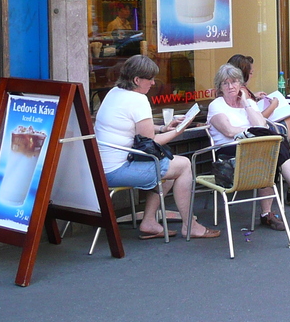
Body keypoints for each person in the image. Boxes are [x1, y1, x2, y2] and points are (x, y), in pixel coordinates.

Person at [94, 55, 219, 240]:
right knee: (183, 165)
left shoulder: (114, 93)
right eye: (150, 78)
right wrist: (178, 130)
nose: (153, 83)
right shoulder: (138, 100)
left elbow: (131, 125)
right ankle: (189, 226)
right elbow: (149, 144)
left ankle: (149, 222)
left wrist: (163, 127)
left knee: (169, 165)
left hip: (101, 167)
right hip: (117, 170)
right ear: (137, 80)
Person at [207, 64, 290, 232]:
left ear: (241, 84)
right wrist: (251, 132)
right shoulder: (217, 105)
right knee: (274, 144)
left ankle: (269, 213)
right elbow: (228, 131)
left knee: (275, 145)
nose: (231, 87)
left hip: (254, 149)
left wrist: (246, 103)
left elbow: (261, 124)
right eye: (225, 83)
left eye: (234, 82)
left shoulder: (247, 103)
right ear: (219, 87)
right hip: (229, 153)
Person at [226, 54, 290, 163]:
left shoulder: (237, 91)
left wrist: (254, 97)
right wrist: (273, 105)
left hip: (256, 129)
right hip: (259, 132)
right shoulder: (242, 92)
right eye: (250, 73)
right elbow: (259, 119)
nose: (251, 76)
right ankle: (281, 145)